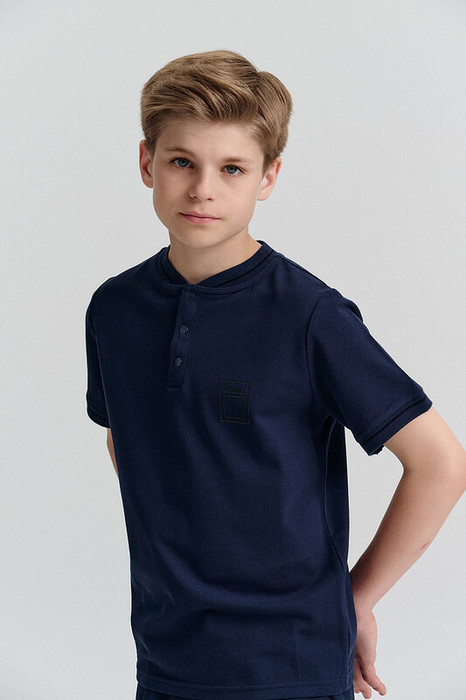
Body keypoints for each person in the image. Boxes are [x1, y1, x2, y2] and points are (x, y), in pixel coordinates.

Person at [85, 49, 465, 700]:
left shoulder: (310, 317)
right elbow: (130, 438)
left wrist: (356, 598)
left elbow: (441, 463)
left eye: (232, 168)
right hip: (166, 658)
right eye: (182, 162)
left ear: (268, 177)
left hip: (292, 662)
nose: (203, 189)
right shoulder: (114, 310)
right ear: (147, 163)